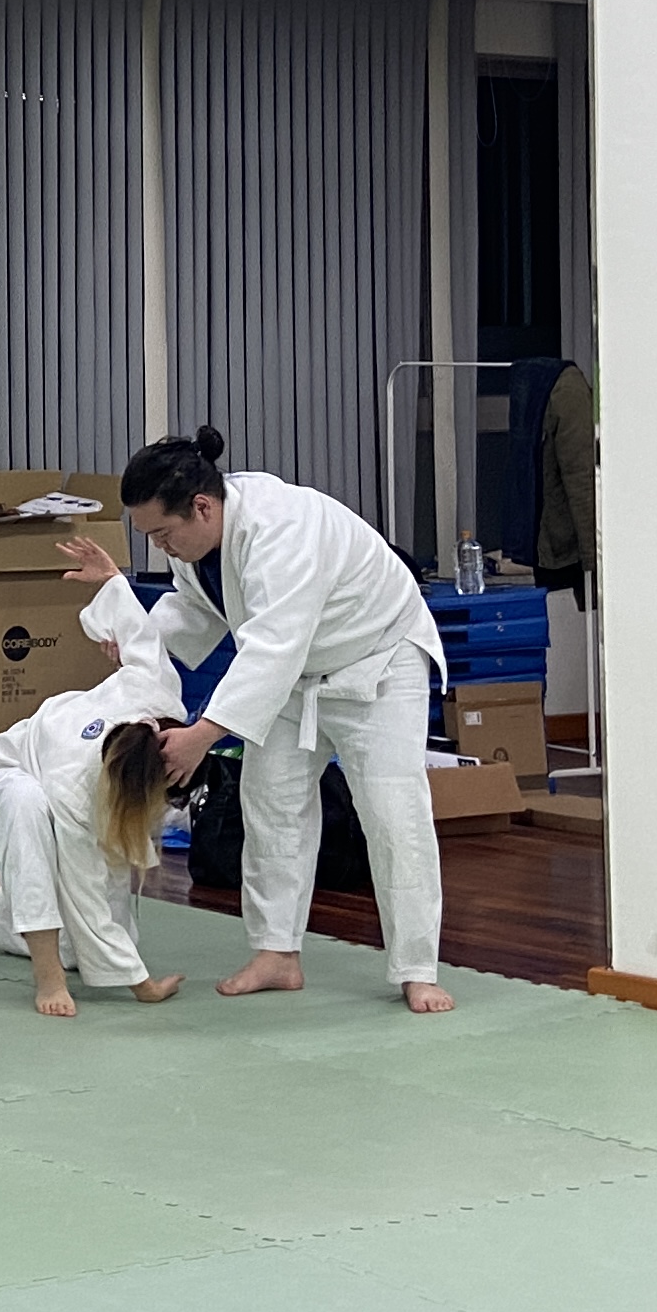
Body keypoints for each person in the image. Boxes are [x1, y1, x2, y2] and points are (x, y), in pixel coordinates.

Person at [94, 425, 452, 1016]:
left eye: (162, 532)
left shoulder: (281, 529)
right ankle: (277, 952)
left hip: (378, 663)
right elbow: (195, 610)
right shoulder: (203, 543)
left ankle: (417, 970)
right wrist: (136, 642)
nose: (160, 546)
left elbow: (272, 648)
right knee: (270, 804)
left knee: (393, 815)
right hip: (295, 676)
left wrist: (203, 736)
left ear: (201, 507)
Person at [0, 544, 195, 1020]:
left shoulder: (159, 693)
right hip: (16, 769)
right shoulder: (77, 786)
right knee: (28, 810)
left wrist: (112, 580)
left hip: (84, 769)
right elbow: (84, 891)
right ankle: (48, 974)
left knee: (89, 948)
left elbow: (139, 635)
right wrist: (142, 986)